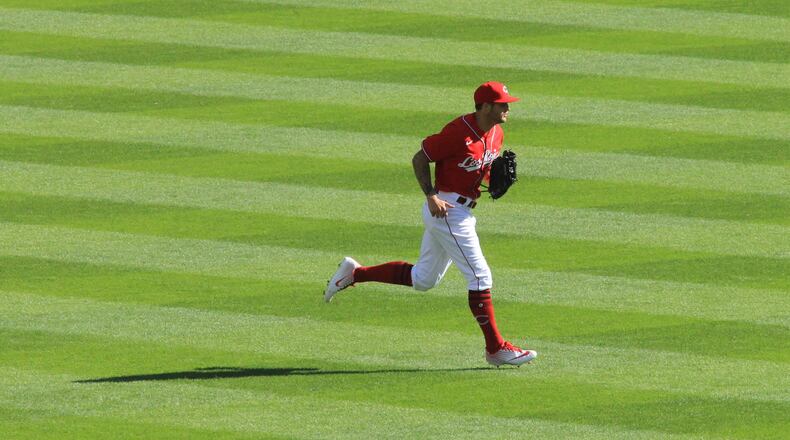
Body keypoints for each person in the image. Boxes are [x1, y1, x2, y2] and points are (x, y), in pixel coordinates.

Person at [324, 82, 537, 367]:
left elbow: (480, 170)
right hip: (447, 210)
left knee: (424, 279)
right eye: (502, 104)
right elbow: (420, 158)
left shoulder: (497, 133)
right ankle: (496, 348)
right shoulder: (457, 132)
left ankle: (355, 273)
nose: (508, 108)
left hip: (464, 211)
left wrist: (491, 180)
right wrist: (430, 195)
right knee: (480, 277)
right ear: (485, 107)